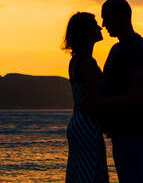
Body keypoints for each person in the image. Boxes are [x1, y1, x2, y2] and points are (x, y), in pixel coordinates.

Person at [100, 0, 143, 183]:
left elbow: (138, 96)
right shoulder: (116, 49)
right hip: (123, 131)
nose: (103, 24)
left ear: (122, 17)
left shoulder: (138, 49)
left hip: (135, 131)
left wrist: (100, 104)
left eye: (106, 18)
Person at [63, 12, 110, 183]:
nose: (100, 27)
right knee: (91, 174)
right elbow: (94, 102)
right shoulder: (88, 63)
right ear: (86, 31)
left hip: (78, 123)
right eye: (94, 24)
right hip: (88, 126)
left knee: (81, 174)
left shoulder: (76, 60)